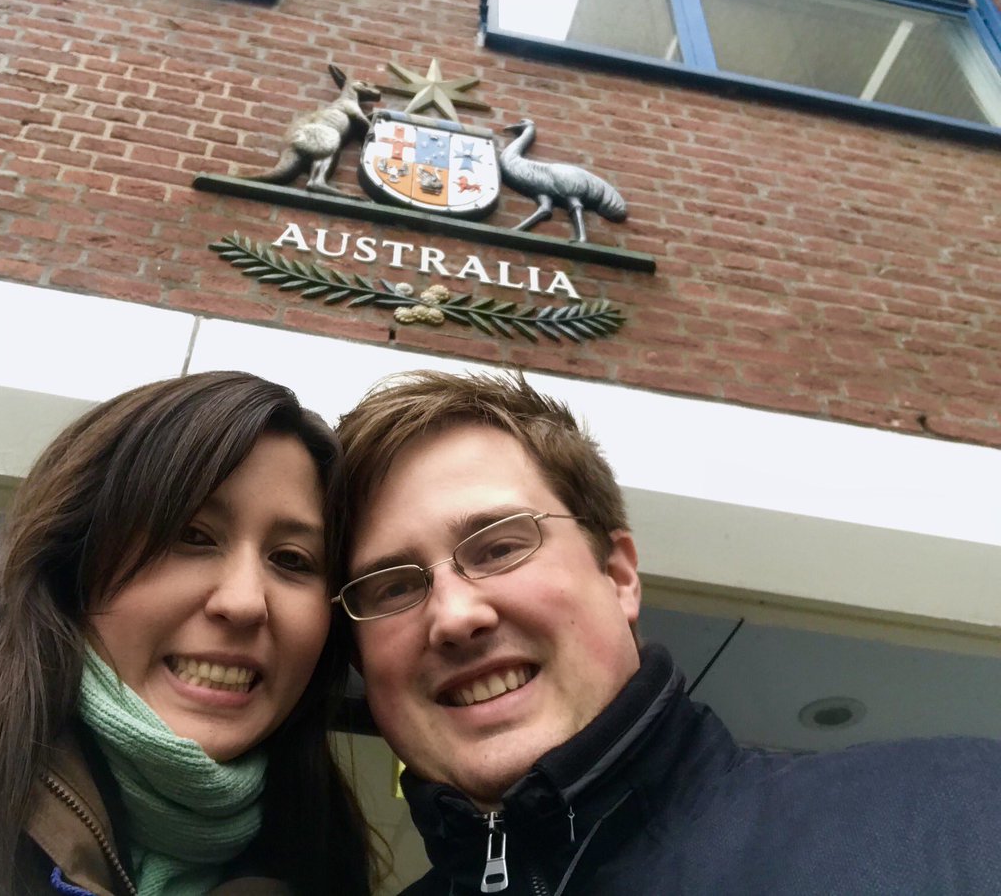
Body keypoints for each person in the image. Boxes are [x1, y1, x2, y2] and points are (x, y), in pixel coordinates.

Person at [333, 369, 1001, 896]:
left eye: (500, 546)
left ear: (619, 574)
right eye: (391, 586)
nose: (454, 615)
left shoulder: (961, 816)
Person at [0, 371, 375, 896]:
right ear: (74, 561)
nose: (245, 602)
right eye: (194, 536)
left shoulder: (320, 866)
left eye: (294, 560)